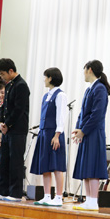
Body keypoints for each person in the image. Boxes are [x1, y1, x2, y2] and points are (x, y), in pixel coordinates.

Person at [72, 60, 110, 211]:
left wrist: (84, 130)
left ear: (89, 70)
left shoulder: (100, 88)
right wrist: (78, 128)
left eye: (84, 70)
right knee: (87, 166)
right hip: (87, 132)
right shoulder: (90, 88)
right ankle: (89, 199)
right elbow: (83, 112)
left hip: (94, 132)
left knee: (93, 166)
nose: (83, 73)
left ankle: (93, 200)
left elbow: (97, 114)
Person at [0, 58, 30, 202]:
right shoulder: (9, 85)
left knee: (15, 161)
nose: (1, 77)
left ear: (11, 71)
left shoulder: (21, 85)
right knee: (5, 161)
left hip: (18, 129)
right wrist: (2, 122)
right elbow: (5, 107)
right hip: (7, 130)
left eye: (2, 74)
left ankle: (15, 193)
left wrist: (7, 124)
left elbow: (19, 109)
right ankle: (3, 191)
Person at [30, 68, 67, 206]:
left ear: (50, 78)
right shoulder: (45, 96)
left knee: (57, 165)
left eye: (45, 77)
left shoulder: (60, 95)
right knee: (45, 165)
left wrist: (57, 135)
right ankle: (46, 195)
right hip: (44, 133)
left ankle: (58, 197)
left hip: (54, 133)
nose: (44, 79)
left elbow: (61, 117)